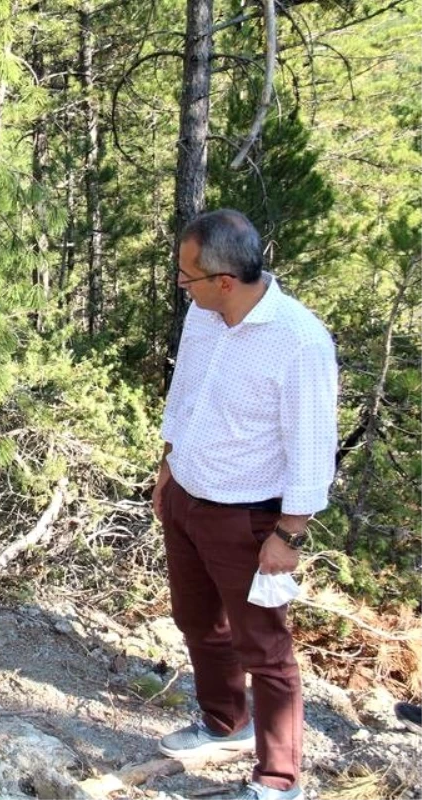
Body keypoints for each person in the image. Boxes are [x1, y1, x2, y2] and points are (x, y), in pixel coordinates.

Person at [153, 210, 338, 800]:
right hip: (186, 495)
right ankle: (223, 723)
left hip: (247, 516)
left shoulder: (299, 342)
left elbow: (312, 445)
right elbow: (184, 393)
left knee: (266, 648)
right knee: (197, 621)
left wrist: (290, 534)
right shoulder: (204, 316)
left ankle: (279, 781)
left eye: (189, 277)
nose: (183, 286)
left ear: (225, 280)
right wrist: (166, 467)